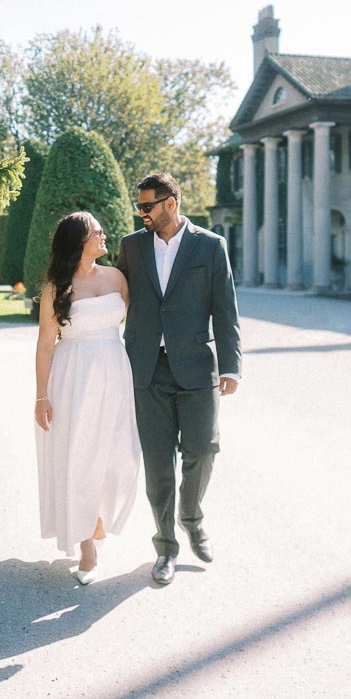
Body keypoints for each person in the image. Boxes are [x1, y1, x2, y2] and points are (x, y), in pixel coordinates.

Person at [116, 173, 241, 586]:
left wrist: (230, 365)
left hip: (196, 368)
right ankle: (165, 547)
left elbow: (225, 309)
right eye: (139, 207)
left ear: (170, 203)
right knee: (158, 463)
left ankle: (192, 515)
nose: (141, 214)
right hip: (147, 369)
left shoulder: (210, 246)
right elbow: (112, 297)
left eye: (146, 206)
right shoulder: (131, 247)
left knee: (203, 448)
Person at [34, 212, 142, 585]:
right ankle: (86, 547)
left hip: (114, 373)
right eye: (97, 232)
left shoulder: (117, 278)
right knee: (78, 457)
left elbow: (140, 324)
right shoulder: (56, 288)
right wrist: (41, 396)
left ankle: (97, 517)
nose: (104, 235)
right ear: (78, 242)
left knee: (120, 455)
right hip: (73, 377)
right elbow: (46, 345)